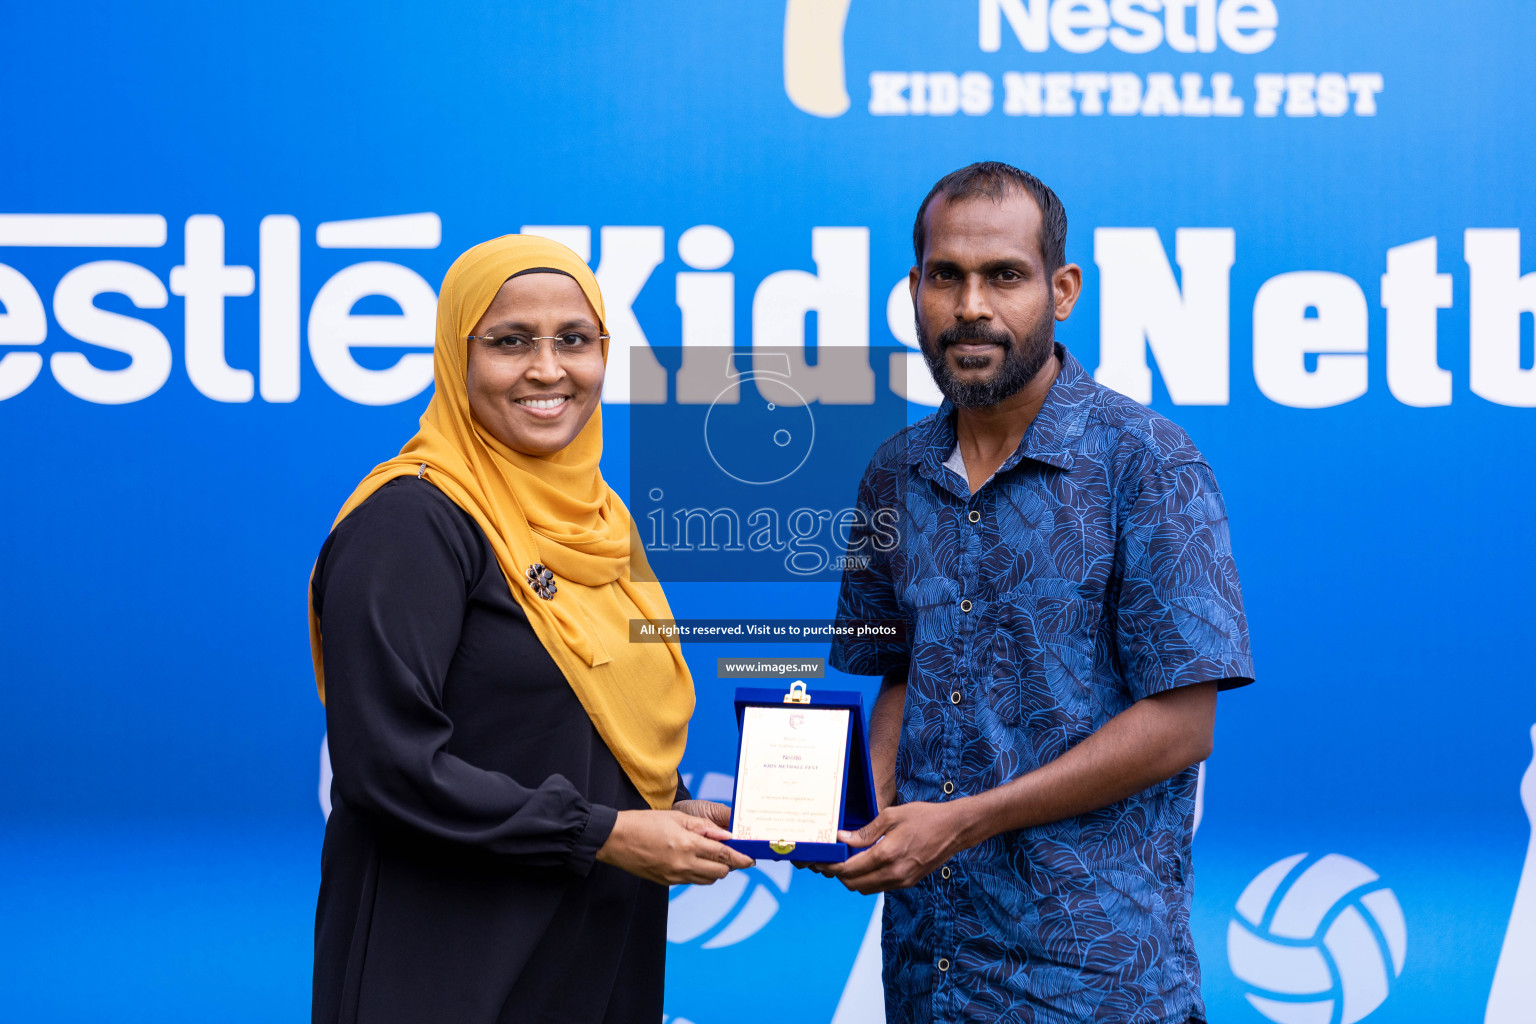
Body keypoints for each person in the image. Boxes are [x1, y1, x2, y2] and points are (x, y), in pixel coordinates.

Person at [822, 162, 1255, 1023]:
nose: (971, 306)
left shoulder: (1148, 464)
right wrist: (859, 812)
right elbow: (901, 674)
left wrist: (966, 819)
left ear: (1061, 291)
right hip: (928, 975)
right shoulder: (894, 473)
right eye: (946, 276)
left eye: (1004, 276)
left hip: (1095, 986)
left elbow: (1183, 722)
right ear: (914, 289)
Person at [307, 235, 752, 1024]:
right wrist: (604, 833)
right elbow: (388, 767)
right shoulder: (411, 523)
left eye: (574, 341)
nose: (549, 369)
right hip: (448, 965)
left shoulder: (601, 525)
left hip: (590, 953)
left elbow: (585, 723)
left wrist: (669, 807)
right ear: (456, 355)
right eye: (511, 341)